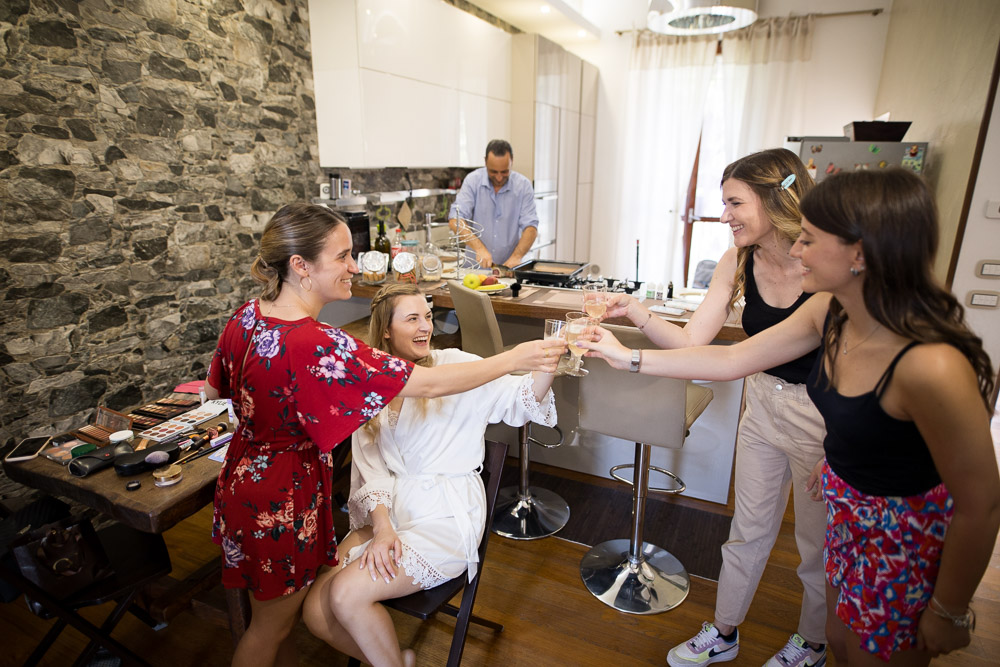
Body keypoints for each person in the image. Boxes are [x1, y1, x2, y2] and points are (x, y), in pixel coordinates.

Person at [580, 168, 1000, 666]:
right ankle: (742, 632)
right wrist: (627, 355)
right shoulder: (830, 311)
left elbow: (982, 504)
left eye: (809, 238)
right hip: (847, 516)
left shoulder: (930, 364)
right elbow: (734, 359)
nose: (797, 249)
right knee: (838, 638)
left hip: (895, 546)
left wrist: (948, 610)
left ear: (859, 253)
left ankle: (809, 643)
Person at [203, 204, 564, 667]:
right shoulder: (316, 343)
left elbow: (214, 391)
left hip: (241, 483)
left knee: (277, 623)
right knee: (266, 632)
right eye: (342, 256)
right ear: (301, 266)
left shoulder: (246, 318)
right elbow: (427, 384)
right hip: (283, 499)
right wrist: (514, 357)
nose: (355, 266)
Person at [603, 148, 828, 667]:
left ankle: (813, 643)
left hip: (823, 417)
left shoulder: (823, 266)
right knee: (747, 530)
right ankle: (724, 632)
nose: (723, 216)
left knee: (816, 548)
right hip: (761, 407)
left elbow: (732, 361)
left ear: (775, 199)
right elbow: (691, 346)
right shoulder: (738, 259)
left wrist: (841, 446)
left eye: (734, 203)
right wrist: (637, 313)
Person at [300, 283, 558, 666]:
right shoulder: (371, 381)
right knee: (315, 613)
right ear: (386, 329)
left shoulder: (453, 365)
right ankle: (397, 660)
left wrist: (548, 365)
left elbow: (517, 399)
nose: (426, 327)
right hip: (391, 511)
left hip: (445, 516)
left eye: (427, 316)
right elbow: (371, 470)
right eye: (412, 319)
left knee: (345, 595)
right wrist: (383, 528)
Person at [448, 139, 539, 269]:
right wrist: (479, 248)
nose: (499, 177)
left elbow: (531, 227)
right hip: (474, 270)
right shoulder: (472, 181)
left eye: (504, 172)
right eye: (493, 172)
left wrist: (516, 257)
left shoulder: (523, 186)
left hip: (509, 270)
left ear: (511, 161)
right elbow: (455, 220)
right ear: (485, 162)